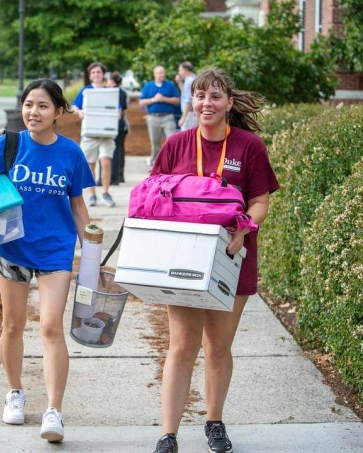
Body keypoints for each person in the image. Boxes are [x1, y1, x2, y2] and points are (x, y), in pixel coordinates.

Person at [0, 79, 94, 443]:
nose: (33, 112)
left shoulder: (71, 153)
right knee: (12, 325)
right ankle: (14, 392)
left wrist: (92, 252)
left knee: (51, 327)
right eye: (28, 104)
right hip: (11, 248)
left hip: (56, 251)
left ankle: (53, 410)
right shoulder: (10, 144)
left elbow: (77, 205)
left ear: (58, 112)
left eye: (42, 106)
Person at [148, 66, 279, 453]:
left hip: (230, 258)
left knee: (218, 346)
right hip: (182, 259)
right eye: (201, 95)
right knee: (182, 345)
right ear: (193, 101)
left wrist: (244, 230)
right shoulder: (176, 144)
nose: (207, 102)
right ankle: (167, 434)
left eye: (215, 96)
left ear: (229, 104)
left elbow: (260, 200)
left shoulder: (248, 146)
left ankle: (214, 422)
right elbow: (155, 195)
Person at [72, 62, 125, 207]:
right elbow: (74, 106)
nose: (96, 74)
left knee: (106, 161)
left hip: (106, 134)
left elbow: (118, 109)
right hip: (89, 134)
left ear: (103, 75)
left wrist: (118, 114)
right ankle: (92, 195)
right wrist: (79, 112)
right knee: (90, 164)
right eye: (93, 72)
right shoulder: (86, 90)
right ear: (90, 76)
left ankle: (106, 192)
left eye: (99, 72)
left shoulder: (110, 92)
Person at [139, 65, 180, 166]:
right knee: (155, 143)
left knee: (172, 140)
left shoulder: (170, 85)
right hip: (153, 117)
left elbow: (177, 100)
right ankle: (155, 165)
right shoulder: (148, 86)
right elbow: (141, 102)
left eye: (163, 72)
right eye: (160, 73)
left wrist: (164, 99)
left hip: (168, 117)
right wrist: (154, 99)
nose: (162, 75)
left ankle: (173, 164)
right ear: (154, 74)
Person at [106, 71, 129, 185]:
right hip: (121, 125)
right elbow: (124, 107)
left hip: (112, 123)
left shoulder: (110, 92)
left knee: (113, 149)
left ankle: (112, 176)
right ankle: (120, 175)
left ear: (111, 80)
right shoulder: (123, 92)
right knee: (120, 148)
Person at [176, 61, 198, 130]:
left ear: (184, 70)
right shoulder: (195, 78)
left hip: (190, 113)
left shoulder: (188, 82)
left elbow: (188, 101)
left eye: (180, 70)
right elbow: (186, 94)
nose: (179, 73)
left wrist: (183, 118)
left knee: (186, 136)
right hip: (194, 113)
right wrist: (179, 82)